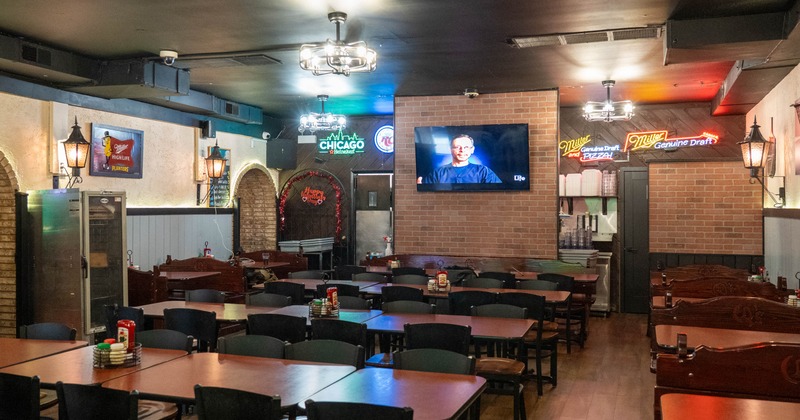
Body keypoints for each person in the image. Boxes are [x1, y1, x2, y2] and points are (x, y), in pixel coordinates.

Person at [419, 134, 501, 184]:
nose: (462, 150)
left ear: (472, 150)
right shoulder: (438, 173)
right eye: (458, 147)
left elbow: (498, 189)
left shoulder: (484, 171)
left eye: (466, 147)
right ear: (450, 149)